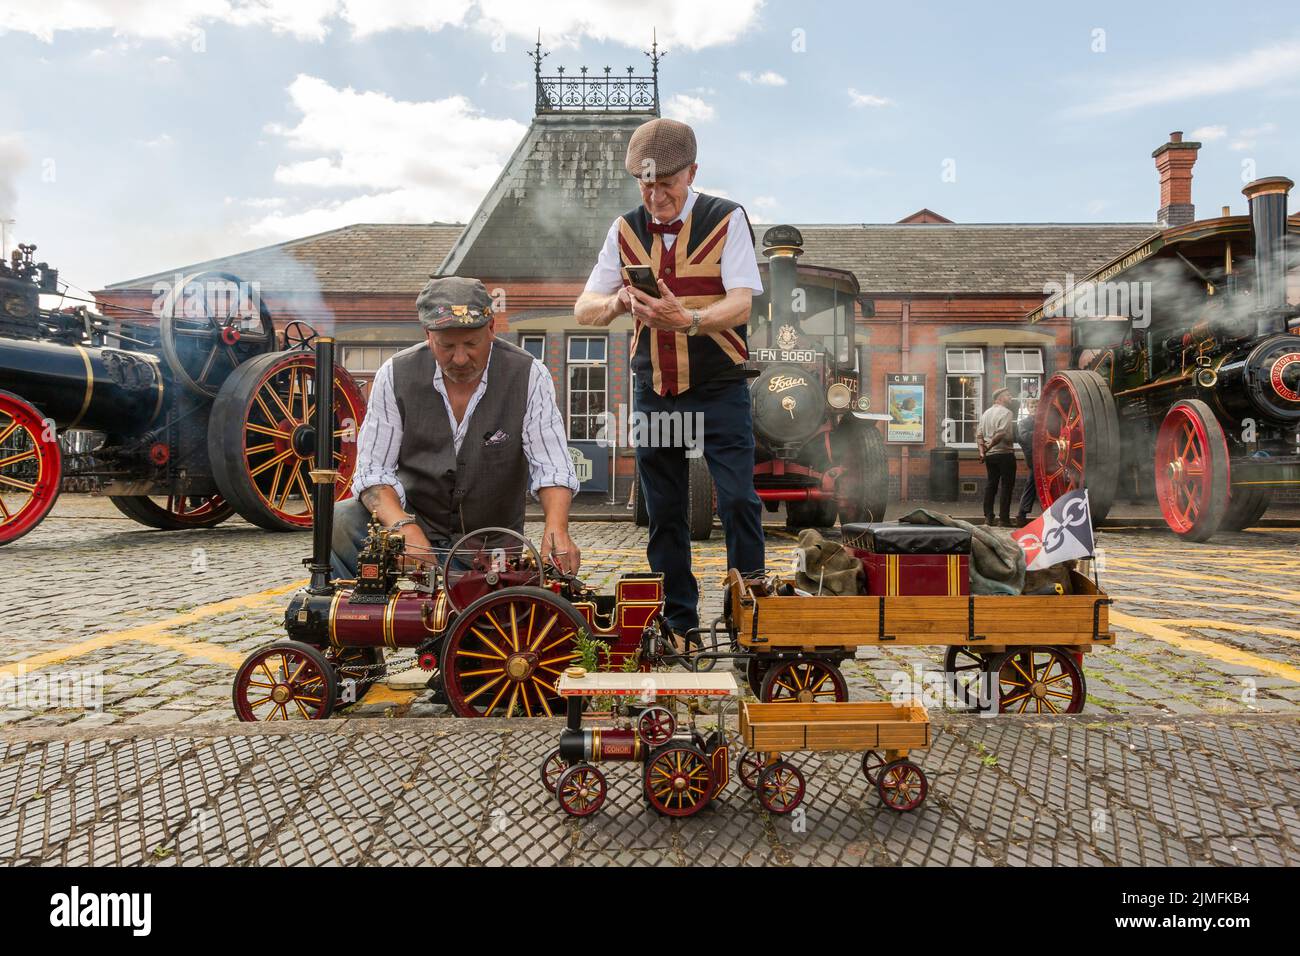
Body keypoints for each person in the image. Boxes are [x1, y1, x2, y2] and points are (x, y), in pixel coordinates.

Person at [574, 117, 765, 643]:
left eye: (667, 184)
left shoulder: (727, 219)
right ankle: (680, 622)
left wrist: (694, 320)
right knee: (664, 510)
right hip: (656, 390)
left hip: (719, 386)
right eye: (646, 184)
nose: (656, 196)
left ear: (692, 173)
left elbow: (743, 301)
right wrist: (615, 302)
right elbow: (583, 307)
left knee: (738, 501)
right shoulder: (624, 228)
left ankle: (750, 622)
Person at [332, 276, 580, 577]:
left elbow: (552, 467)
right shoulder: (394, 375)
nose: (460, 358)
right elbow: (372, 473)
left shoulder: (529, 375)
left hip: (491, 547)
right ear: (428, 335)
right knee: (341, 520)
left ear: (491, 329)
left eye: (472, 344)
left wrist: (556, 529)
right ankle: (356, 618)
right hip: (415, 528)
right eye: (446, 346)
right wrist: (404, 527)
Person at [976, 387, 1017, 527]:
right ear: (999, 398)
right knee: (1007, 486)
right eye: (1008, 395)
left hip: (990, 457)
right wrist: (989, 446)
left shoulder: (985, 413)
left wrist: (982, 452)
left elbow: (979, 435)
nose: (1010, 397)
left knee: (991, 485)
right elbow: (1000, 434)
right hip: (1005, 454)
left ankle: (988, 517)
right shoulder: (1006, 413)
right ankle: (1004, 520)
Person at [1015, 408, 1039, 526]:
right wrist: (1041, 432)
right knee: (1031, 484)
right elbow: (1024, 437)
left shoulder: (1043, 420)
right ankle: (1021, 514)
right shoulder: (1024, 423)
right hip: (1033, 457)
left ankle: (1022, 514)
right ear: (1029, 409)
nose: (1036, 410)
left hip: (1045, 457)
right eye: (1033, 407)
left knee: (1032, 484)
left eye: (1037, 407)